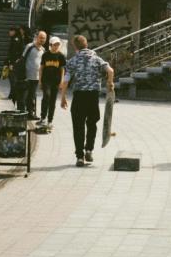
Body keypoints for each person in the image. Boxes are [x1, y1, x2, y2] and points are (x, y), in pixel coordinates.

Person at [60, 35, 115, 167]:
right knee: (92, 123)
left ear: (75, 46)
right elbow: (110, 70)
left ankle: (79, 157)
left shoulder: (72, 61)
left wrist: (63, 97)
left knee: (78, 126)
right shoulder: (96, 59)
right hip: (93, 96)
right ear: (86, 44)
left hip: (79, 96)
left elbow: (66, 80)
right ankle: (89, 149)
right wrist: (110, 83)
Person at [38, 36, 66, 129]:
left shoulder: (61, 56)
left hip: (56, 81)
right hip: (46, 80)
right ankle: (43, 117)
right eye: (54, 45)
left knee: (53, 101)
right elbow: (41, 68)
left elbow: (62, 69)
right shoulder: (45, 55)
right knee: (46, 96)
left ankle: (50, 120)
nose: (56, 46)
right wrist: (40, 80)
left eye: (58, 44)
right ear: (50, 45)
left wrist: (62, 81)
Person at [20, 31, 47, 119]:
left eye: (44, 38)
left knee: (32, 96)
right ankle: (22, 114)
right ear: (36, 37)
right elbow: (22, 59)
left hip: (36, 77)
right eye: (41, 37)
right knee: (24, 96)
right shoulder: (30, 46)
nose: (42, 39)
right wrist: (22, 74)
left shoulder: (43, 50)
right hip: (27, 76)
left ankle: (30, 114)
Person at [6, 26, 24, 101]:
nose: (9, 32)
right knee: (12, 78)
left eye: (11, 31)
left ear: (14, 31)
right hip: (14, 61)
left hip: (14, 62)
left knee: (12, 78)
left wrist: (11, 63)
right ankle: (13, 93)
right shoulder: (16, 38)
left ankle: (13, 94)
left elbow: (14, 52)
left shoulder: (16, 39)